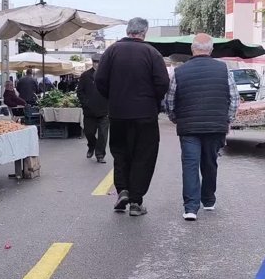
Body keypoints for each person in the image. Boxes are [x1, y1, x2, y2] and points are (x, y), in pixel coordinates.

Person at [96, 17, 169, 216]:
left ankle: (123, 191)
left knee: (120, 153)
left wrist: (114, 98)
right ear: (144, 33)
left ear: (128, 31)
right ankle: (136, 202)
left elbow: (100, 80)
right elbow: (163, 83)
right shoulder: (152, 53)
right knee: (143, 155)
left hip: (118, 113)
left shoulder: (111, 51)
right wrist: (151, 99)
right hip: (145, 115)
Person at [165, 34, 238, 221]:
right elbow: (234, 98)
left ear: (192, 49)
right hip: (215, 125)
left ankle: (190, 208)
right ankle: (208, 200)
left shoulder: (180, 72)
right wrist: (227, 119)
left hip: (188, 127)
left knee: (190, 165)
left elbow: (170, 101)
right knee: (210, 162)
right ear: (211, 50)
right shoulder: (223, 69)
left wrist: (176, 119)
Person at [77, 53, 109, 163]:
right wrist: (86, 103)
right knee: (89, 133)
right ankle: (92, 146)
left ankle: (100, 155)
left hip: (104, 110)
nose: (97, 64)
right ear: (93, 62)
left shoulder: (107, 76)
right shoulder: (85, 75)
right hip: (89, 111)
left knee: (103, 135)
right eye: (95, 62)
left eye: (99, 62)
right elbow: (80, 91)